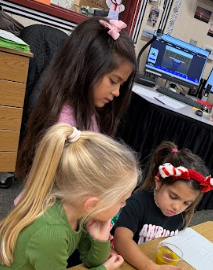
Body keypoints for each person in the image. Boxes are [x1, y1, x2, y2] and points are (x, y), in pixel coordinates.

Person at [0, 124, 140, 270]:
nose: (124, 206)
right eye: (122, 200)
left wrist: (101, 238)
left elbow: (91, 261)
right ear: (92, 204)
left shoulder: (77, 211)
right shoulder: (52, 233)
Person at [16, 17, 137, 179]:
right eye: (114, 81)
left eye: (121, 85)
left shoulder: (91, 112)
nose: (117, 92)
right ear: (86, 69)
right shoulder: (63, 125)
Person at [113, 141, 213, 270]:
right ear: (158, 183)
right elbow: (121, 241)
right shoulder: (136, 204)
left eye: (187, 203)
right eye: (173, 196)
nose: (177, 207)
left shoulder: (181, 214)